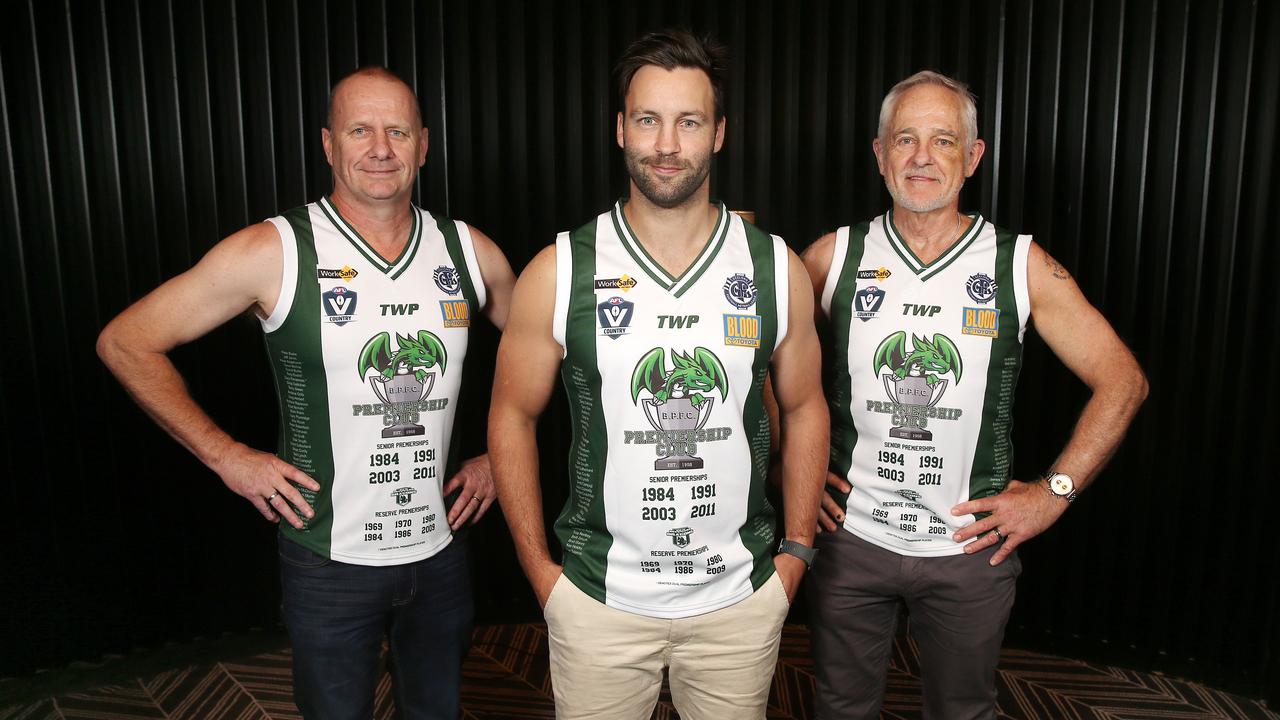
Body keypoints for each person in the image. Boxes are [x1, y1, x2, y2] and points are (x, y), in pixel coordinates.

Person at [96, 66, 515, 719]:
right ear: (328, 144)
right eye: (360, 130)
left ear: (424, 145)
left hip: (438, 553)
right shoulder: (274, 250)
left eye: (397, 130)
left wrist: (498, 455)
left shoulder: (468, 251)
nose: (380, 147)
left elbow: (540, 359)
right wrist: (226, 455)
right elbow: (127, 341)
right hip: (329, 559)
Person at [488, 29, 829, 720]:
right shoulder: (561, 269)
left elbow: (806, 407)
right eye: (648, 119)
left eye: (689, 121)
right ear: (621, 129)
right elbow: (511, 415)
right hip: (598, 603)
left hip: (739, 601)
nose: (667, 144)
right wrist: (540, 572)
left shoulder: (773, 268)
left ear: (720, 133)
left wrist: (794, 555)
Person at [801, 70, 1148, 719]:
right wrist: (786, 469)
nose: (922, 158)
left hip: (967, 549)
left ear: (973, 155)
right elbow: (763, 363)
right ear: (880, 154)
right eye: (905, 139)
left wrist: (1055, 493)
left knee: (964, 711)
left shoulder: (1019, 264)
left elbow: (1123, 380)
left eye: (943, 140)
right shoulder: (833, 256)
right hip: (852, 540)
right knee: (840, 709)